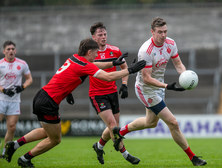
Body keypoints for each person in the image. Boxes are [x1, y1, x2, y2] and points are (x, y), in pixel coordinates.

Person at [3, 38, 146, 168]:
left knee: (47, 132)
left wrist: (114, 63)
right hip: (48, 102)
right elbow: (108, 77)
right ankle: (25, 159)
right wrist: (130, 70)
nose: (97, 55)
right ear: (89, 52)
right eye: (95, 53)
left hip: (42, 96)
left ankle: (14, 145)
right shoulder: (84, 65)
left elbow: (80, 70)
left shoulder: (75, 58)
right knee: (55, 139)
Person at [112, 17, 207, 166]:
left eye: (165, 31)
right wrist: (168, 86)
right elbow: (147, 78)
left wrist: (185, 76)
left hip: (158, 87)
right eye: (160, 32)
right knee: (173, 122)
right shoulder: (146, 51)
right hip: (146, 89)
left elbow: (178, 64)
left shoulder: (171, 43)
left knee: (150, 123)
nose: (163, 35)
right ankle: (193, 157)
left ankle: (121, 132)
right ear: (152, 32)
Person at [89, 22, 140, 165]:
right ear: (93, 37)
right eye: (100, 35)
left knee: (114, 125)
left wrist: (124, 84)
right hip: (97, 94)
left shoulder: (115, 50)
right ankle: (126, 154)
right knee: (113, 125)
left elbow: (124, 67)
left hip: (112, 92)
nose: (103, 37)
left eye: (105, 34)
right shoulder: (89, 54)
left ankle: (98, 146)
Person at [0, 41, 33, 158]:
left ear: (16, 51)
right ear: (4, 51)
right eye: (8, 49)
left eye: (13, 49)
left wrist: (22, 87)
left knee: (12, 127)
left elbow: (29, 79)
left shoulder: (22, 64)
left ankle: (4, 152)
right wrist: (3, 90)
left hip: (14, 100)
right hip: (1, 99)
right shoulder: (0, 64)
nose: (11, 51)